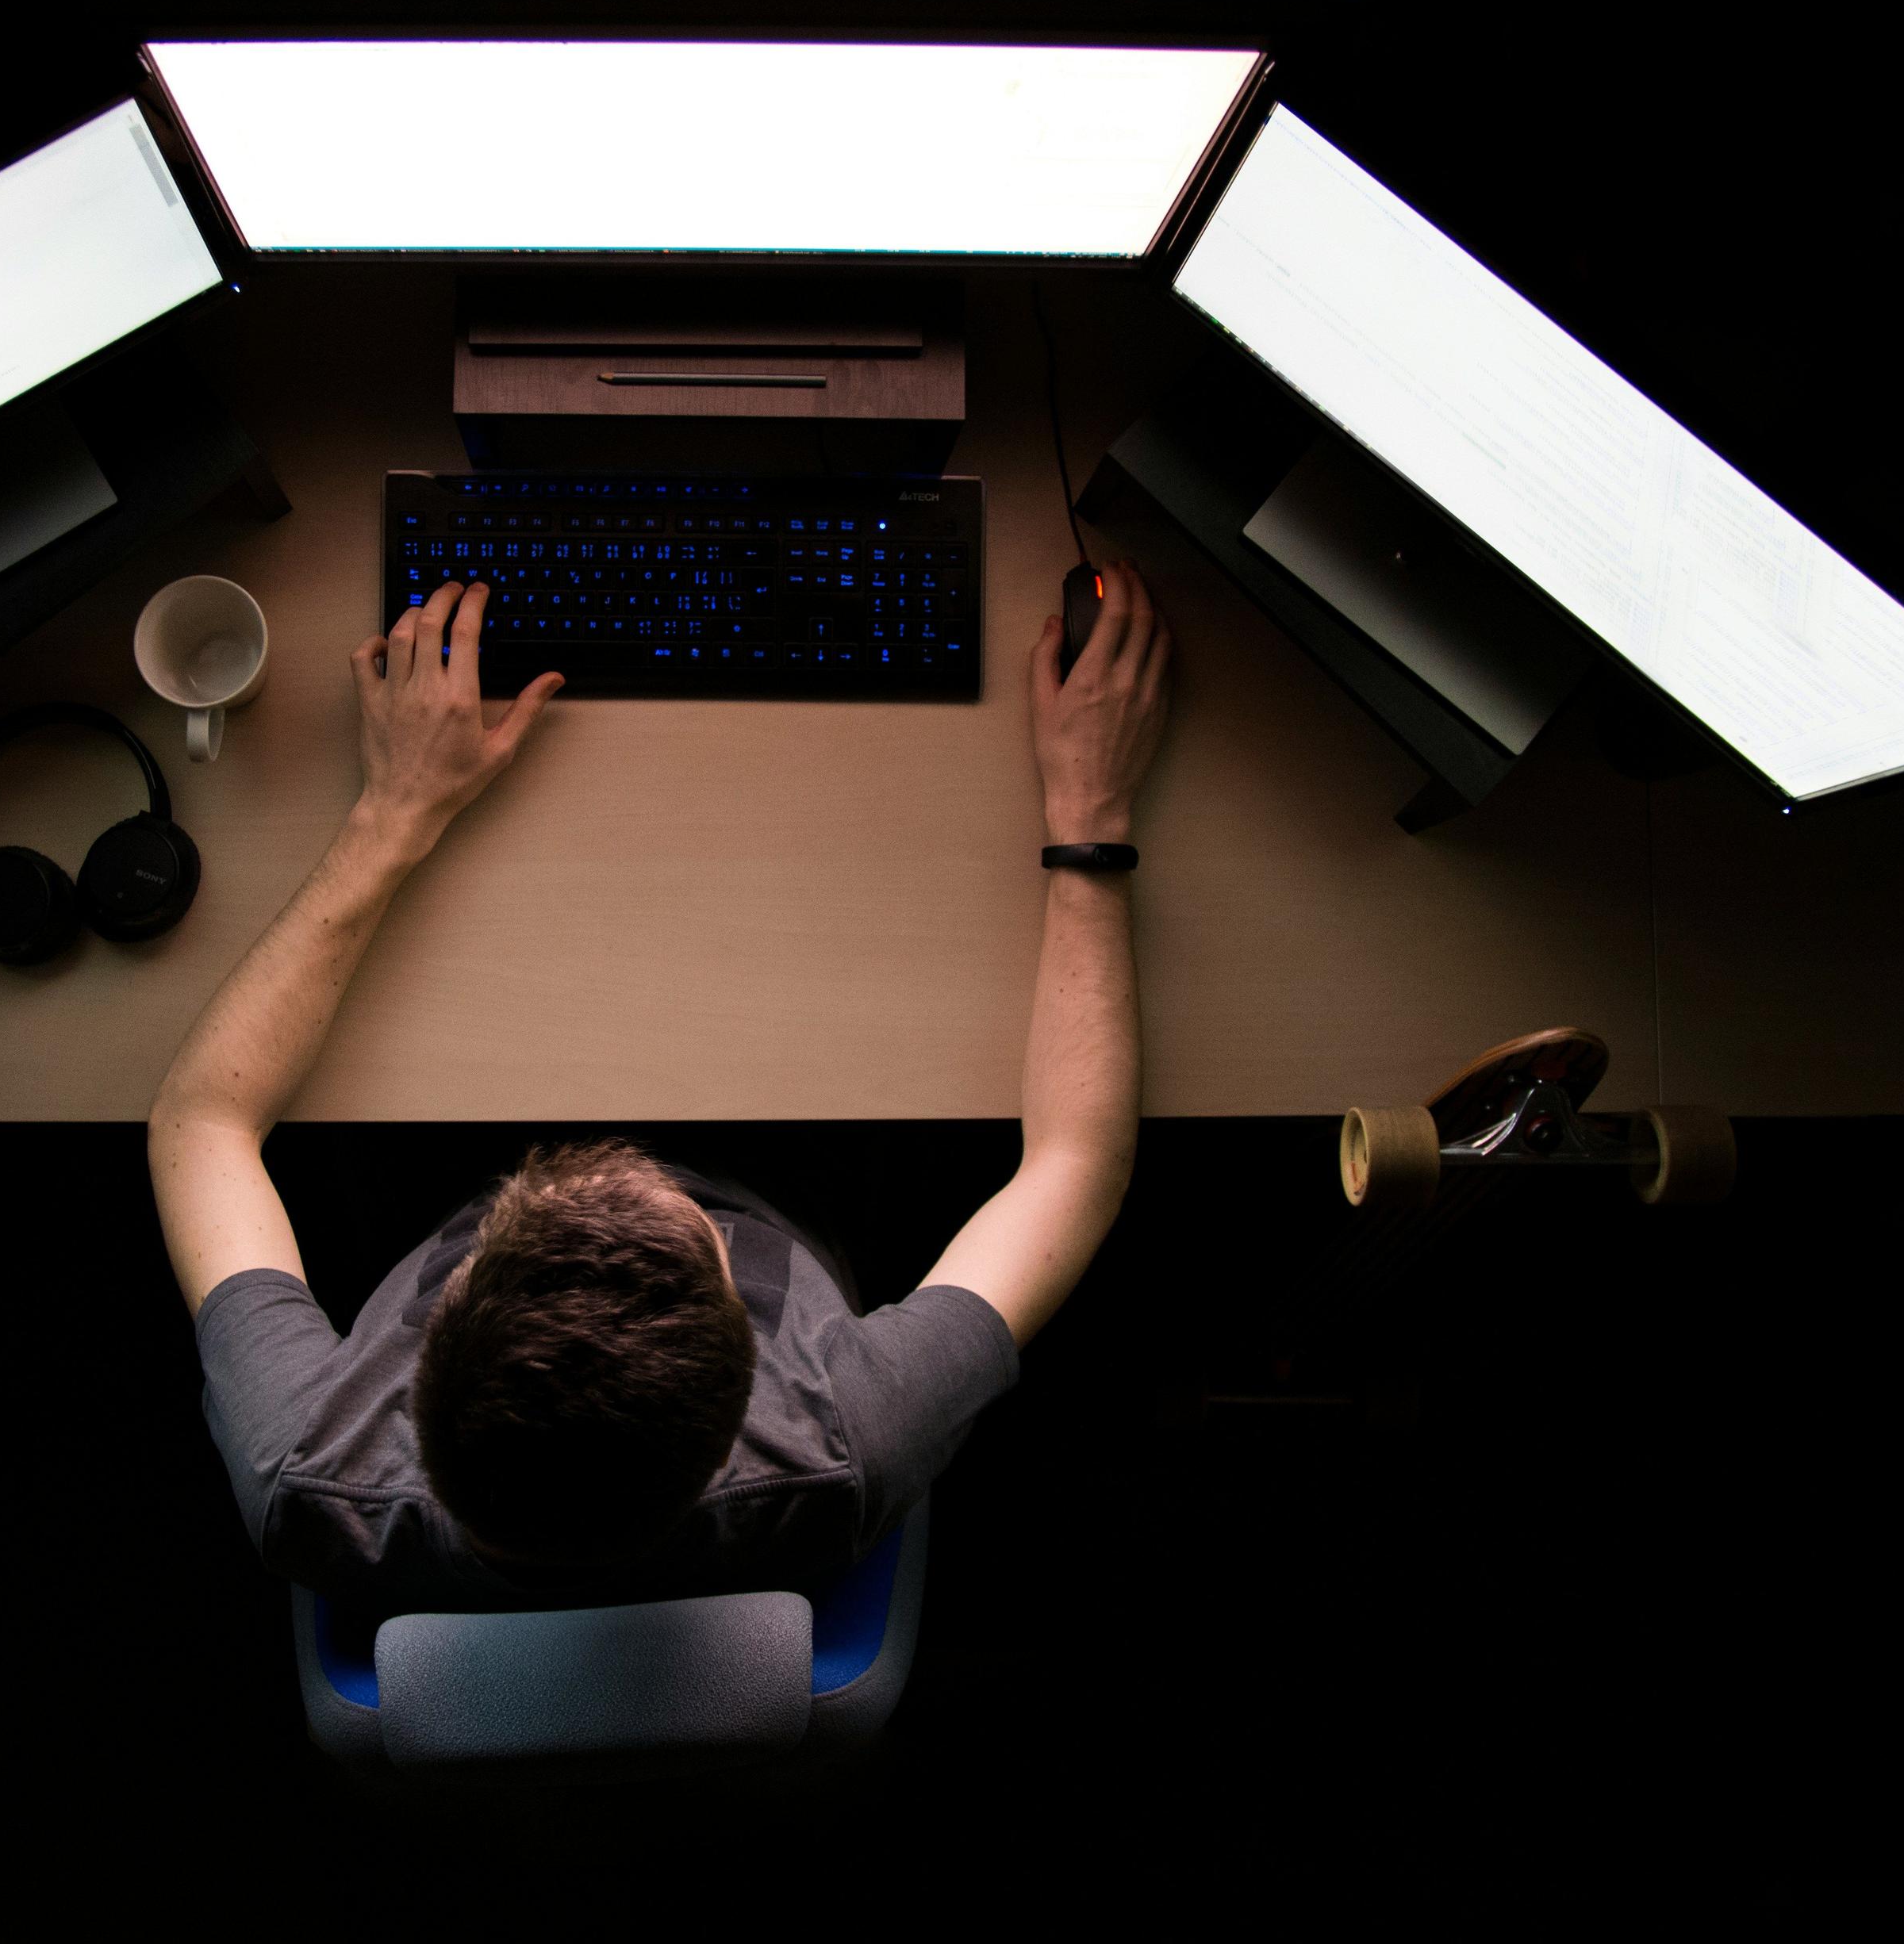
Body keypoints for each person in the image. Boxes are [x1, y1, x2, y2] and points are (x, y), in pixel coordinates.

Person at [149, 562, 1173, 1610]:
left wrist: (393, 810)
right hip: (798, 1181)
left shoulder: (304, 1471)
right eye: (693, 1237)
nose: (634, 1160)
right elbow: (1077, 1163)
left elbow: (201, 1119)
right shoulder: (844, 1436)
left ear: (434, 1334)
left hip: (431, 1177)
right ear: (743, 1381)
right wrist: (1091, 810)